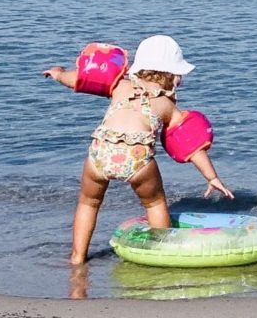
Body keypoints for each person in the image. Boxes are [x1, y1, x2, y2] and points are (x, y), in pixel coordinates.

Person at [45, 33, 232, 265]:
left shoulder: (118, 85)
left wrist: (59, 74)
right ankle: (162, 250)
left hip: (100, 152)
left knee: (88, 202)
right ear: (174, 76)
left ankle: (77, 257)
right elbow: (190, 145)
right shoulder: (167, 105)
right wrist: (212, 177)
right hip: (136, 157)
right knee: (154, 203)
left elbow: (81, 81)